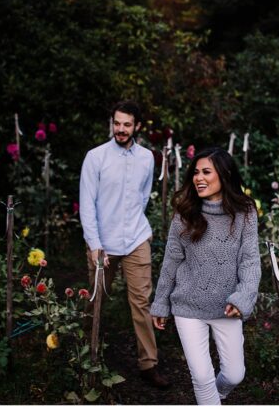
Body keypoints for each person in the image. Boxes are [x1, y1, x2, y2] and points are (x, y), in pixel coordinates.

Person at [150, 147, 261, 405]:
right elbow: (171, 261)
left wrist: (243, 297)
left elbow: (250, 260)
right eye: (196, 172)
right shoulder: (185, 213)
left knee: (234, 375)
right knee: (202, 377)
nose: (199, 178)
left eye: (206, 172)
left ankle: (214, 399)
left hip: (227, 307)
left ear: (224, 174)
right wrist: (160, 302)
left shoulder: (244, 213)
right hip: (187, 306)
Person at [79, 100, 170, 389]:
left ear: (137, 127)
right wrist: (94, 244)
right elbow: (87, 204)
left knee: (142, 302)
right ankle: (86, 353)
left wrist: (134, 227)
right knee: (95, 300)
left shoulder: (147, 158)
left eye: (126, 124)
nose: (120, 129)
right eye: (116, 123)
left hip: (135, 239)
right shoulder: (95, 157)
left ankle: (148, 364)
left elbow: (143, 197)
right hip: (102, 243)